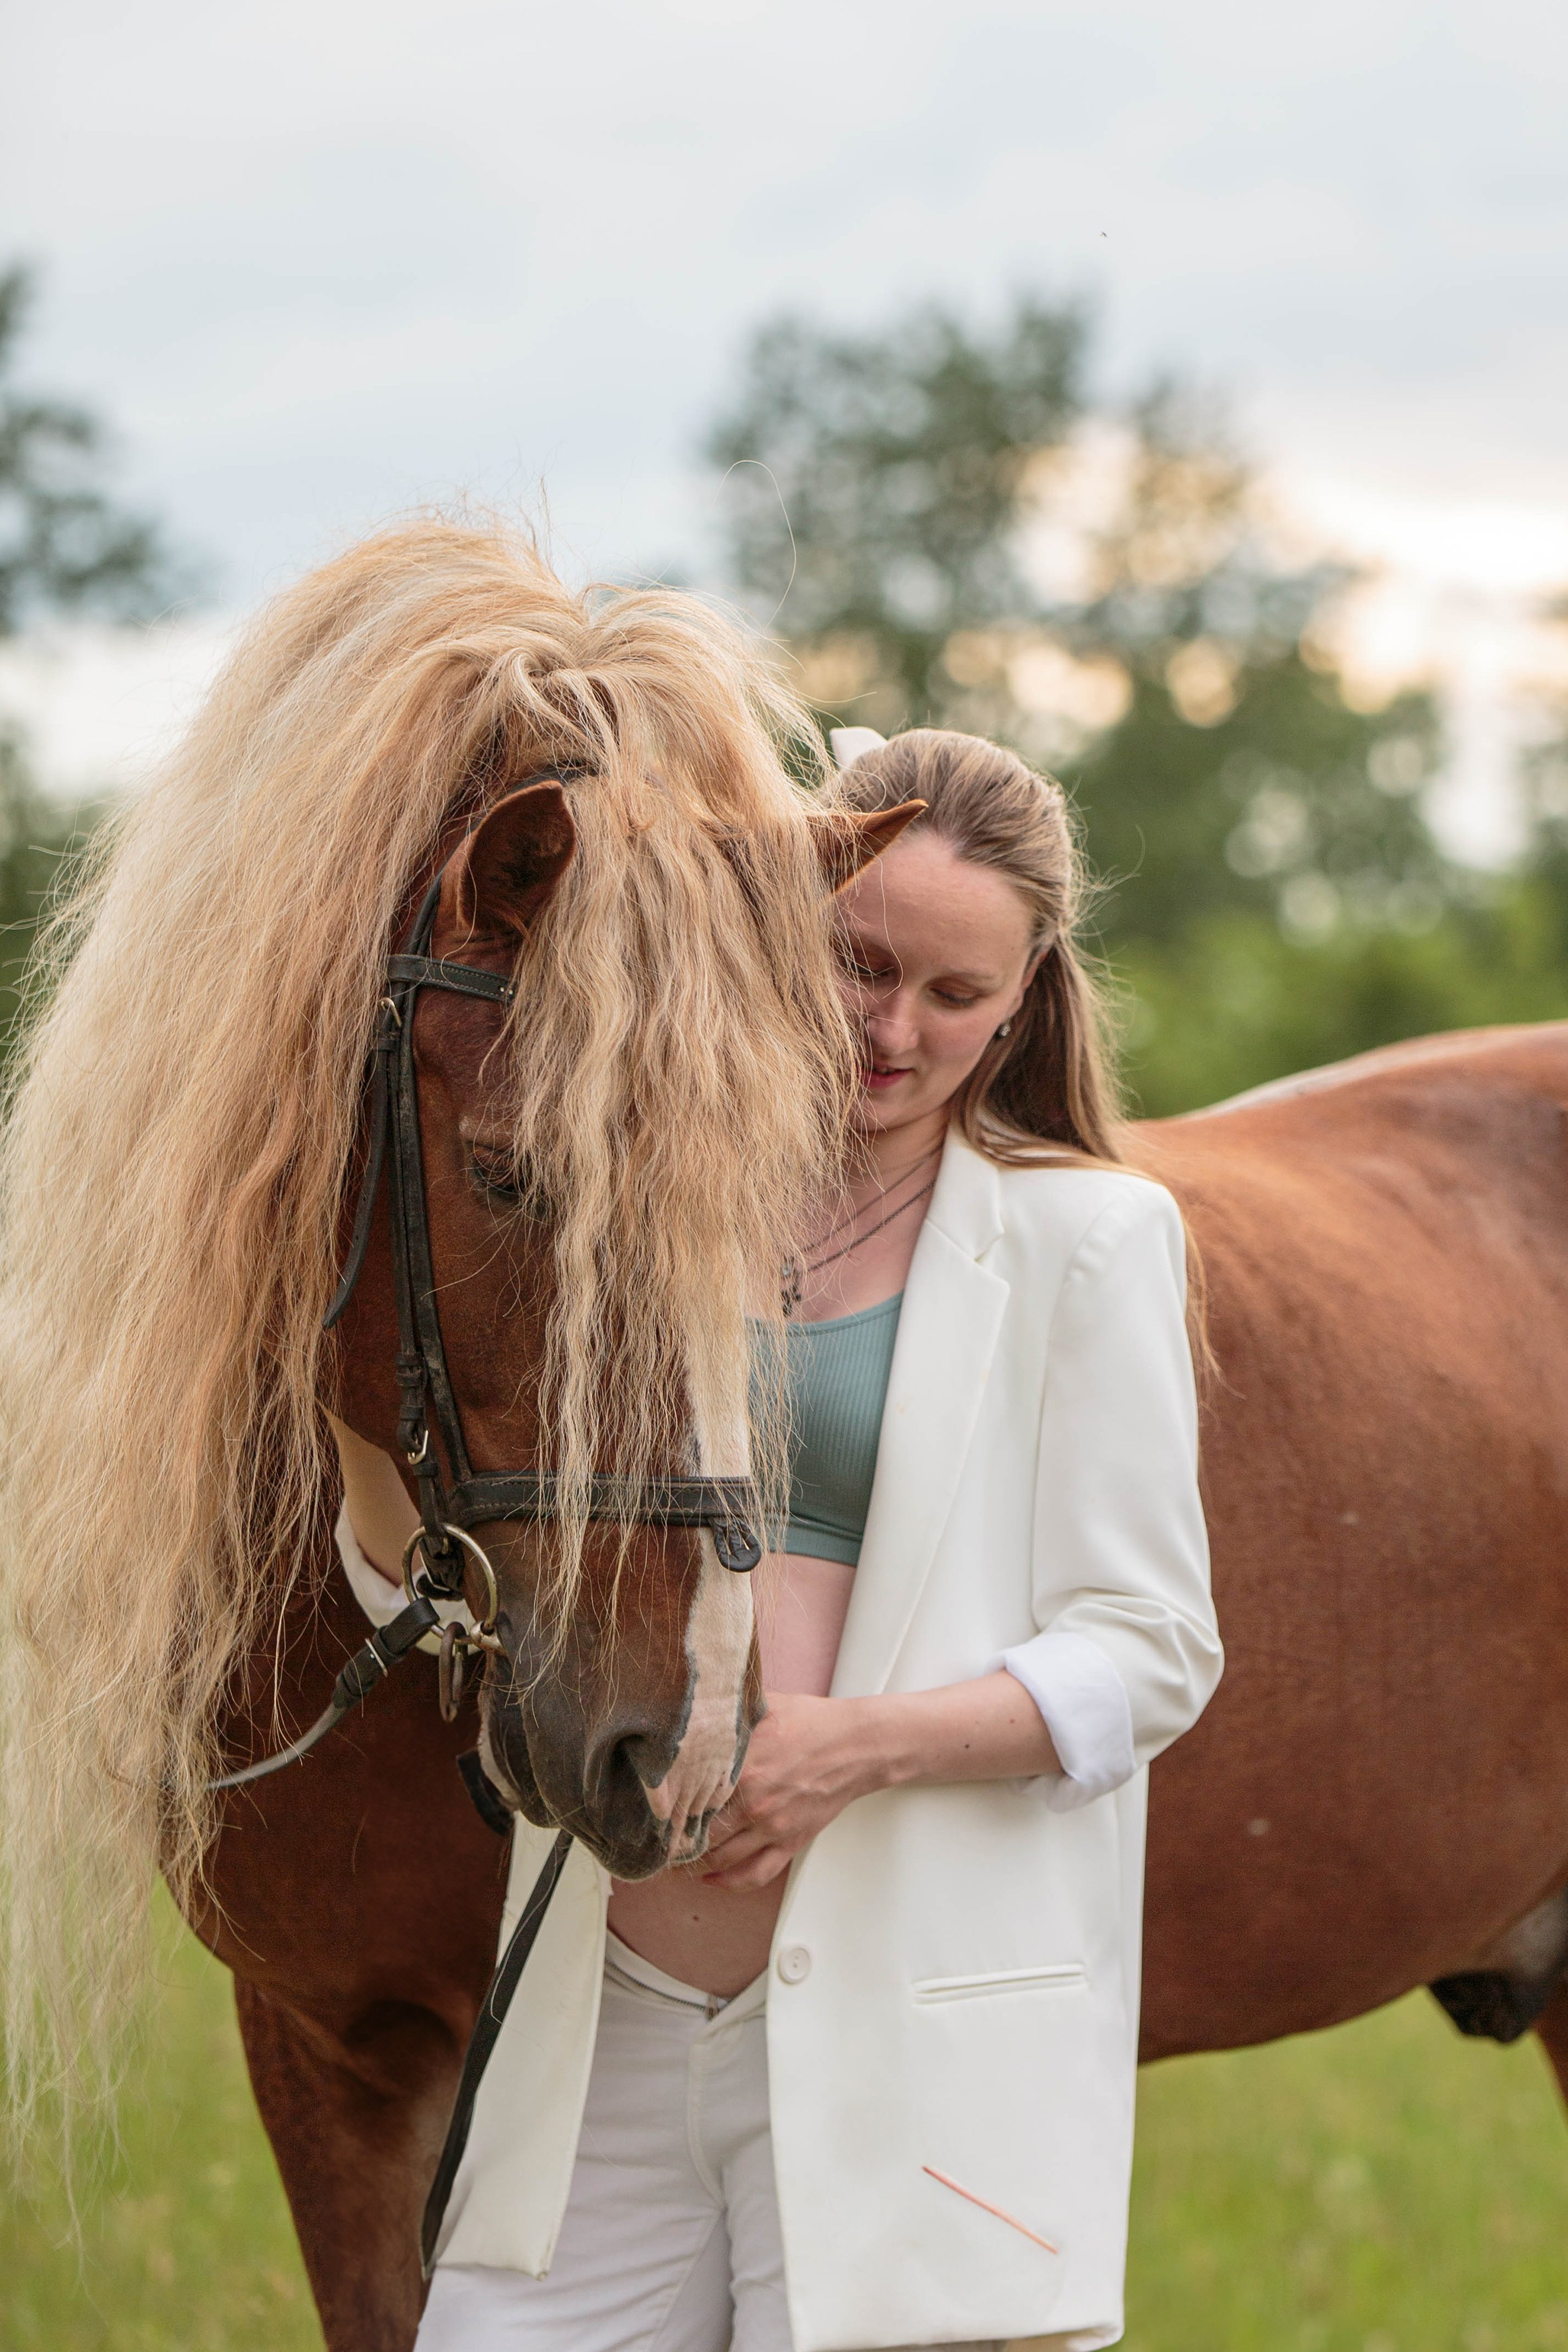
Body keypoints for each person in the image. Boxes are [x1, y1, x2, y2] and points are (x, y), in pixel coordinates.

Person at [334, 725, 1223, 2352]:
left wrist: (844, 1750)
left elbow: (1152, 1649)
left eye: (954, 996)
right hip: (602, 2009)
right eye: (860, 964)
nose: (894, 1030)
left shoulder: (1087, 1237)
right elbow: (460, 1559)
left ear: (1018, 1002)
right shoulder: (646, 1194)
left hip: (909, 2050)